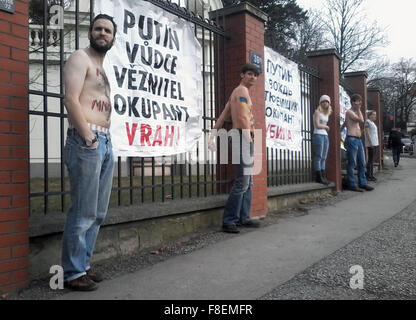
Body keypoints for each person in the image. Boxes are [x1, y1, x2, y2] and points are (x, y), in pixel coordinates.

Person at [62, 14, 117, 291]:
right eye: (98, 28)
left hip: (104, 142)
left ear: (113, 37)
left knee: (97, 212)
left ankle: (83, 264)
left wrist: (102, 140)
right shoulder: (79, 57)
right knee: (83, 210)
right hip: (87, 141)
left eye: (107, 30)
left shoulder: (102, 67)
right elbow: (71, 99)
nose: (102, 33)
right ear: (90, 32)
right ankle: (72, 273)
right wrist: (88, 137)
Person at [209, 64, 261, 233]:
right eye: (249, 74)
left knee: (248, 181)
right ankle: (229, 220)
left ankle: (243, 217)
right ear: (242, 75)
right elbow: (242, 117)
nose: (253, 77)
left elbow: (223, 116)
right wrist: (249, 138)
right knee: (242, 182)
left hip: (242, 136)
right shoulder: (241, 92)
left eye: (255, 75)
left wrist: (212, 136)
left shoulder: (236, 93)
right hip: (242, 136)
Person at [340, 94, 374, 192]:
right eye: (358, 101)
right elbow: (362, 120)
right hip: (352, 139)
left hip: (358, 140)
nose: (360, 103)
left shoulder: (353, 113)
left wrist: (340, 130)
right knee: (352, 162)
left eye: (360, 101)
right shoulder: (349, 112)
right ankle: (351, 184)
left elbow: (346, 123)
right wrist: (358, 109)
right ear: (353, 102)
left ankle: (362, 183)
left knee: (362, 162)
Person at [312, 95, 332, 185]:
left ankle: (323, 176)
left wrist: (325, 128)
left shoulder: (326, 113)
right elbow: (317, 125)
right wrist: (326, 126)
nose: (325, 103)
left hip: (325, 136)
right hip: (318, 135)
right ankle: (318, 177)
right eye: (324, 101)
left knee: (324, 157)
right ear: (320, 103)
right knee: (318, 156)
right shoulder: (317, 112)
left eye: (327, 101)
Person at [364, 110, 379, 181]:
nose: (375, 116)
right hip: (371, 144)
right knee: (370, 160)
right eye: (374, 115)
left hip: (375, 143)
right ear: (370, 115)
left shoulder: (372, 123)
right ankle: (368, 175)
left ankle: (371, 175)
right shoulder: (367, 122)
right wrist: (370, 143)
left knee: (372, 160)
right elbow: (366, 133)